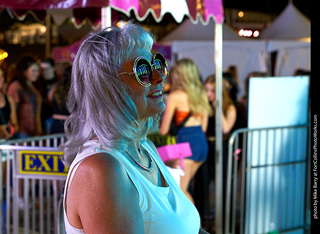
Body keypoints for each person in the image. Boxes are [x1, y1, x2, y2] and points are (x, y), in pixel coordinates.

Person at [61, 23, 208, 234]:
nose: (159, 77)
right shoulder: (101, 169)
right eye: (143, 71)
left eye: (157, 64)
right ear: (108, 88)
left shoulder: (144, 148)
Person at [159, 58, 211, 205]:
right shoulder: (202, 95)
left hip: (185, 146)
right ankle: (194, 226)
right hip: (201, 144)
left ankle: (195, 227)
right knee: (184, 188)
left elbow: (163, 130)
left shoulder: (175, 96)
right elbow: (204, 127)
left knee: (181, 191)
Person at [7, 56, 42, 138]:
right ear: (24, 71)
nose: (37, 74)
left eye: (37, 71)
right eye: (33, 71)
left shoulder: (33, 86)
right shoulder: (16, 87)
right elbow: (12, 111)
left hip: (33, 132)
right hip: (21, 133)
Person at [37, 57, 59, 134]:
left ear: (53, 68)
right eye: (43, 70)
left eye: (47, 69)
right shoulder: (39, 83)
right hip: (42, 119)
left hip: (55, 119)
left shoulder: (59, 83)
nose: (45, 72)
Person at [50, 66, 71, 134]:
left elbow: (49, 100)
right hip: (69, 125)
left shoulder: (56, 89)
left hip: (56, 124)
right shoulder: (75, 91)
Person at [0, 68, 18, 140]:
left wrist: (10, 130)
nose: (1, 79)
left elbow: (15, 125)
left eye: (2, 76)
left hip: (6, 144)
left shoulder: (9, 99)